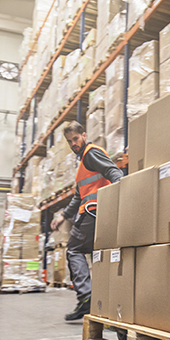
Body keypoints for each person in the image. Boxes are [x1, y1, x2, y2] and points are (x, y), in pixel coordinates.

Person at [51, 122, 123, 321]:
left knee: (74, 250)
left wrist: (122, 195)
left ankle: (85, 298)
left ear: (84, 135)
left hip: (93, 212)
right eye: (69, 141)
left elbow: (114, 172)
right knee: (96, 256)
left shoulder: (91, 153)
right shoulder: (82, 162)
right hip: (95, 211)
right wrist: (63, 216)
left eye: (75, 139)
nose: (73, 143)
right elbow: (78, 195)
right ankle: (102, 301)